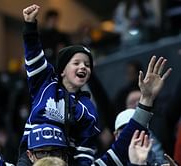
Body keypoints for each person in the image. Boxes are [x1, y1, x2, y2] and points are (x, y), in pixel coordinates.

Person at [19, 4, 172, 166]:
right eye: (76, 62)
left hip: (63, 161)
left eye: (87, 64)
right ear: (62, 70)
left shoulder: (88, 109)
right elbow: (34, 57)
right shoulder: (46, 85)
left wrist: (147, 99)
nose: (83, 67)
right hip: (30, 158)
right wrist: (30, 27)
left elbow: (86, 150)